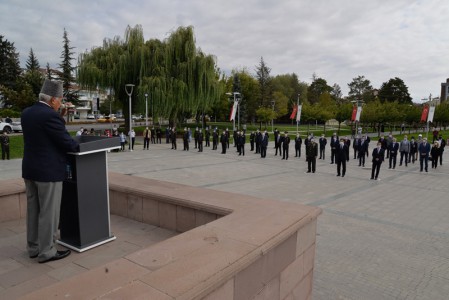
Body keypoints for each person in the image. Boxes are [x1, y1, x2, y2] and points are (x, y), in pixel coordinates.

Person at [21, 79, 79, 263]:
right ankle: (47, 251)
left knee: (33, 210)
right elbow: (65, 142)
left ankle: (34, 247)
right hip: (48, 172)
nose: (61, 103)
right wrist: (77, 145)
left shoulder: (27, 113)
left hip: (30, 170)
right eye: (60, 99)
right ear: (53, 100)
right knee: (49, 212)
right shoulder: (51, 116)